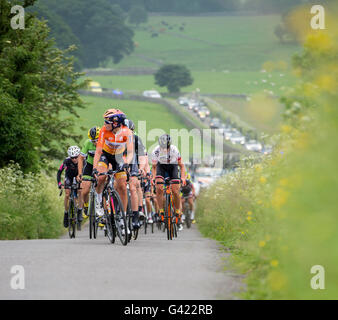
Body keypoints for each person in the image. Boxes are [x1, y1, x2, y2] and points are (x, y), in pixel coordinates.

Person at [92, 108, 134, 235]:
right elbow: (98, 151)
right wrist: (94, 168)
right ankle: (99, 200)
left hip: (119, 157)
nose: (104, 124)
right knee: (100, 178)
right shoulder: (104, 131)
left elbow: (131, 152)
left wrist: (127, 163)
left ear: (115, 122)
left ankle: (123, 216)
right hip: (106, 155)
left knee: (122, 185)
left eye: (107, 122)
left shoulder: (127, 132)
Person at [152, 134, 186, 231]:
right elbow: (154, 167)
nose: (164, 149)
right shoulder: (156, 151)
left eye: (165, 147)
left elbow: (182, 166)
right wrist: (153, 178)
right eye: (162, 147)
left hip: (173, 167)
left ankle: (178, 211)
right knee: (158, 188)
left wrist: (182, 178)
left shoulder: (174, 150)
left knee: (175, 191)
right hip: (161, 167)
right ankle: (161, 210)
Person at [124, 119, 148, 228]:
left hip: (133, 162)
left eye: (132, 131)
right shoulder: (116, 138)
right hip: (119, 161)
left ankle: (136, 213)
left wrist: (142, 168)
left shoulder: (136, 139)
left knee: (134, 185)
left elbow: (142, 156)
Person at [57, 146, 82, 228]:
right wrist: (59, 183)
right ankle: (66, 212)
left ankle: (79, 210)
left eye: (76, 157)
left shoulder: (82, 160)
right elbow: (59, 172)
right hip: (69, 177)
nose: (74, 159)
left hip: (79, 176)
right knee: (67, 194)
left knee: (80, 191)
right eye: (72, 158)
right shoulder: (66, 161)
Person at [78, 126, 100, 219]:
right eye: (93, 141)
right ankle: (86, 205)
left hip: (102, 165)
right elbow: (80, 158)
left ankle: (103, 210)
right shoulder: (88, 143)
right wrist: (80, 173)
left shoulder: (104, 142)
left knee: (101, 187)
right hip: (90, 165)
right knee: (85, 189)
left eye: (97, 140)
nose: (95, 143)